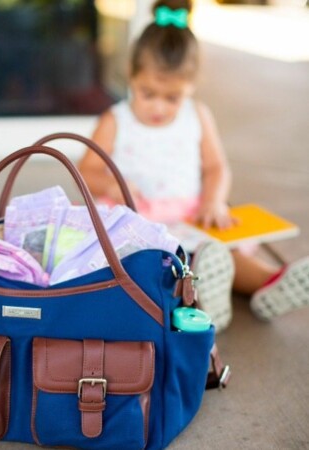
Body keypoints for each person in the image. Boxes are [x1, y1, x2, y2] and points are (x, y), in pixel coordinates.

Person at [78, 0, 309, 332]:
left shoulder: (197, 115)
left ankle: (270, 284)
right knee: (147, 263)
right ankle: (197, 299)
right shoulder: (115, 120)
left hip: (189, 215)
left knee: (222, 253)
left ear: (191, 86)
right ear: (130, 75)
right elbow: (87, 171)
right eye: (147, 93)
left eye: (172, 97)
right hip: (137, 219)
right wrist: (112, 186)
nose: (158, 106)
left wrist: (214, 201)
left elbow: (216, 167)